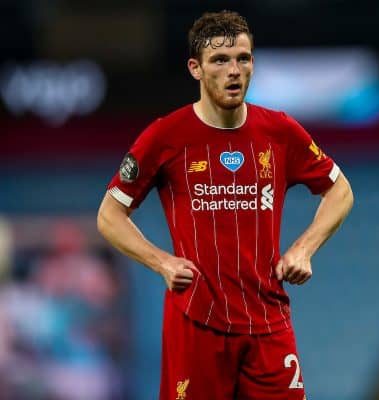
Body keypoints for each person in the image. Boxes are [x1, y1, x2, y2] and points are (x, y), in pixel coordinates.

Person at [97, 10, 353, 400]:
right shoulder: (166, 136)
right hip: (197, 322)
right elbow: (109, 215)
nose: (234, 70)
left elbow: (340, 191)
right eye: (220, 60)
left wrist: (304, 249)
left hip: (268, 321)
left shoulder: (279, 131)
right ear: (195, 68)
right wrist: (161, 262)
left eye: (243, 59)